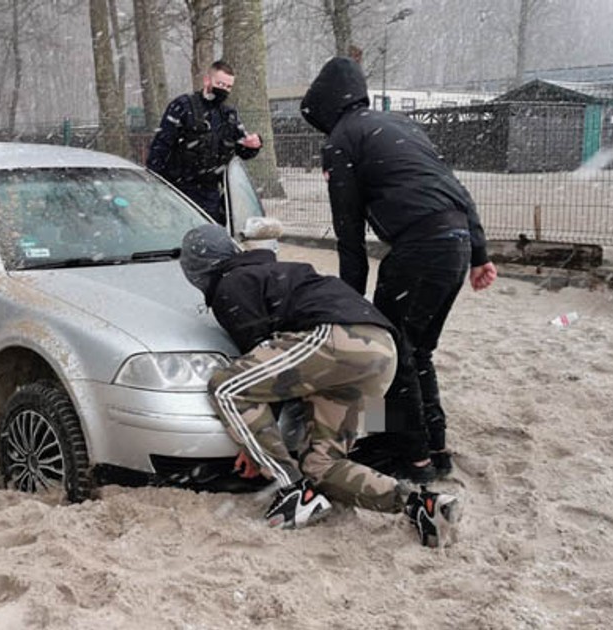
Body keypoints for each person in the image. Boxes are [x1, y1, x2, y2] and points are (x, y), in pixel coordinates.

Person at [179, 224, 461, 547]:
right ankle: (421, 506)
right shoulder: (270, 268)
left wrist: (253, 448)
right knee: (320, 465)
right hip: (383, 352)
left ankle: (293, 492)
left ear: (196, 271)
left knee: (226, 387)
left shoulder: (232, 285)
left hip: (338, 337)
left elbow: (260, 374)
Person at [300, 57, 498, 482]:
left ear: (324, 107)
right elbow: (457, 191)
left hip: (420, 247)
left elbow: (349, 235)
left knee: (389, 350)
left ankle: (411, 457)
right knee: (416, 348)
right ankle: (436, 447)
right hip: (455, 242)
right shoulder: (400, 125)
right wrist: (479, 254)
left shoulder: (341, 140)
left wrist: (348, 305)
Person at [146, 60, 263, 225]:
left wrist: (254, 145)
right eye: (220, 83)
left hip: (211, 194)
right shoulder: (183, 106)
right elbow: (160, 147)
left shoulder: (229, 115)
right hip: (178, 190)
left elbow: (243, 150)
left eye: (228, 87)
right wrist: (154, 184)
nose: (224, 89)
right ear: (207, 80)